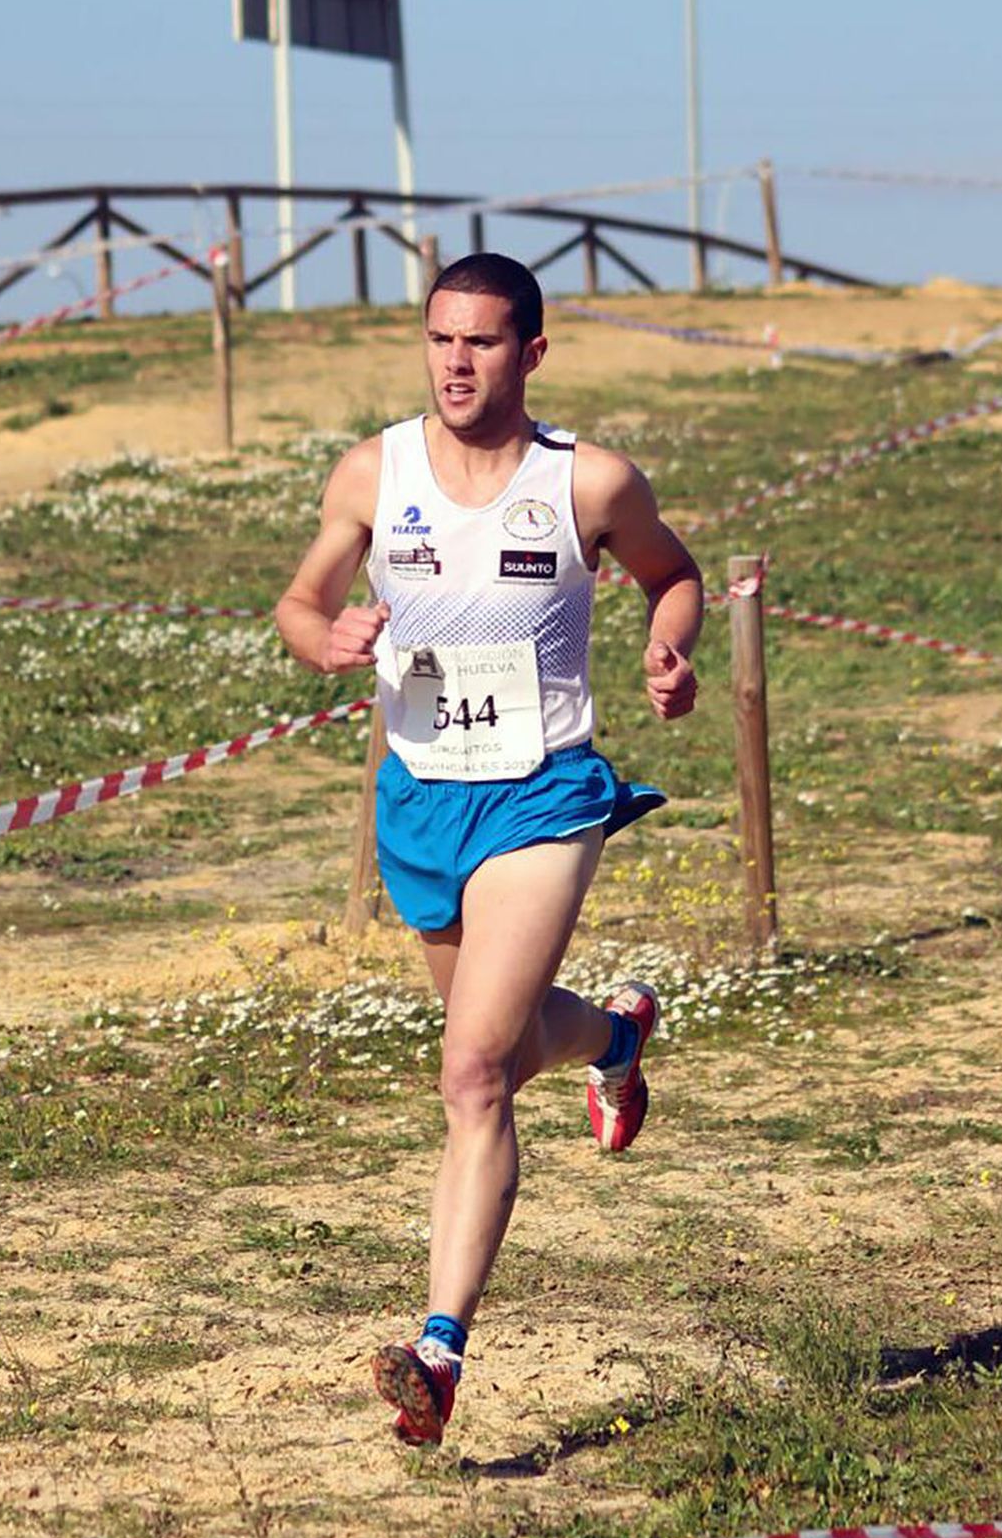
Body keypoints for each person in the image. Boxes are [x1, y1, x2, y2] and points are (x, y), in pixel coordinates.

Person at [274, 254, 702, 1446]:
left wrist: (669, 650)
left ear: (531, 354)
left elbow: (674, 576)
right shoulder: (375, 470)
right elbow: (300, 598)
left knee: (468, 1074)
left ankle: (438, 1351)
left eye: (481, 342)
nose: (455, 362)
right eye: (439, 339)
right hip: (419, 803)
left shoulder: (588, 483)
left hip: (542, 796)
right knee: (506, 1057)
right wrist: (323, 636)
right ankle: (614, 1036)